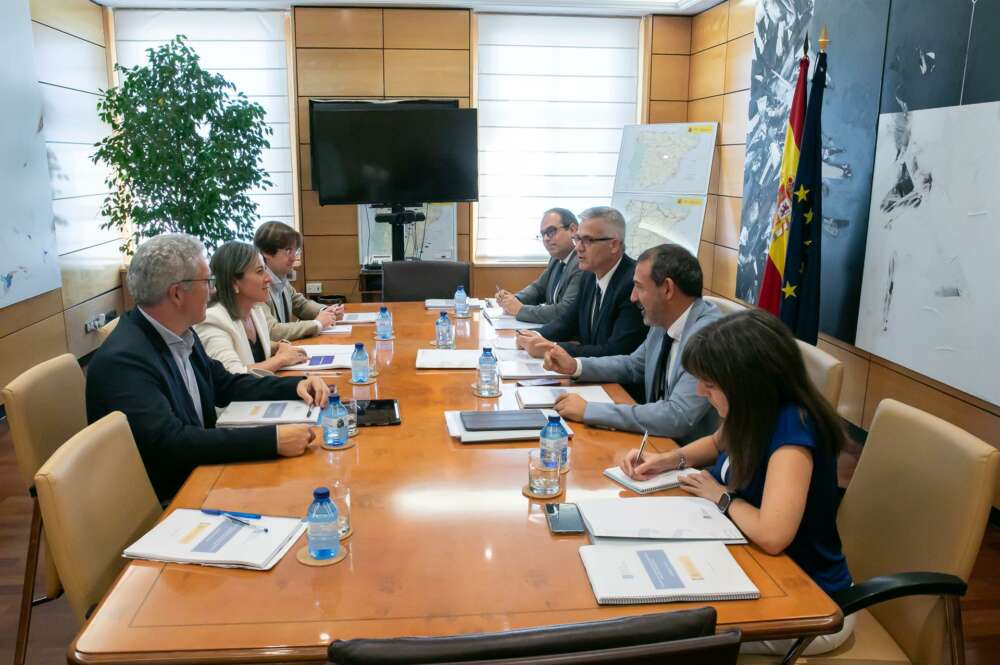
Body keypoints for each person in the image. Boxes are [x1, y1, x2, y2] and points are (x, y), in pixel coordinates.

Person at [619, 308, 854, 655]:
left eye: (710, 384)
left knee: (662, 640)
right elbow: (717, 443)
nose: (700, 391)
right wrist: (669, 459)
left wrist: (722, 497)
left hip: (809, 604)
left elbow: (773, 535)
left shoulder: (793, 429)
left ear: (748, 384)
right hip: (754, 568)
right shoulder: (754, 410)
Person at [86, 234, 330, 501]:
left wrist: (295, 385)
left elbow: (225, 384)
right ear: (178, 293)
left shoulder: (179, 332)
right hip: (170, 498)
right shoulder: (125, 362)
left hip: (201, 473)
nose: (214, 290)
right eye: (207, 282)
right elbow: (173, 443)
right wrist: (272, 440)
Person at [542, 244, 720, 442]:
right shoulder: (664, 319)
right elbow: (633, 365)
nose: (633, 297)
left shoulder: (708, 336)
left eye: (639, 287)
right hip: (656, 442)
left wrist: (589, 410)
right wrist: (575, 366)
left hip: (691, 458)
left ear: (667, 289)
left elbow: (677, 416)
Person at [517, 206, 647, 366]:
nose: (578, 247)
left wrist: (552, 348)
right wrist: (533, 335)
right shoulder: (589, 275)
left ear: (614, 245)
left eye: (587, 240)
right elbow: (567, 322)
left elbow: (616, 350)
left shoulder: (632, 284)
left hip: (618, 385)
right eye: (577, 239)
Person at [195, 241, 308, 375]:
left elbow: (250, 347)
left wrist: (278, 346)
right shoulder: (213, 320)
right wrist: (281, 359)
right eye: (260, 271)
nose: (269, 279)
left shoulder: (255, 311)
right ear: (234, 282)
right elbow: (232, 374)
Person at [254, 221, 342, 340]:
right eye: (288, 251)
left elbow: (301, 305)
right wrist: (317, 324)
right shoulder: (256, 286)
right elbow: (272, 331)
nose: (294, 257)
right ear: (267, 252)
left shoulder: (281, 279)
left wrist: (327, 311)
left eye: (295, 251)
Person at [495, 208, 582, 324]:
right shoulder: (556, 259)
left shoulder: (582, 264)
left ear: (572, 230)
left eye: (551, 231)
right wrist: (513, 299)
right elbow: (538, 288)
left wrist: (520, 309)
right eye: (543, 234)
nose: (546, 238)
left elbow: (564, 311)